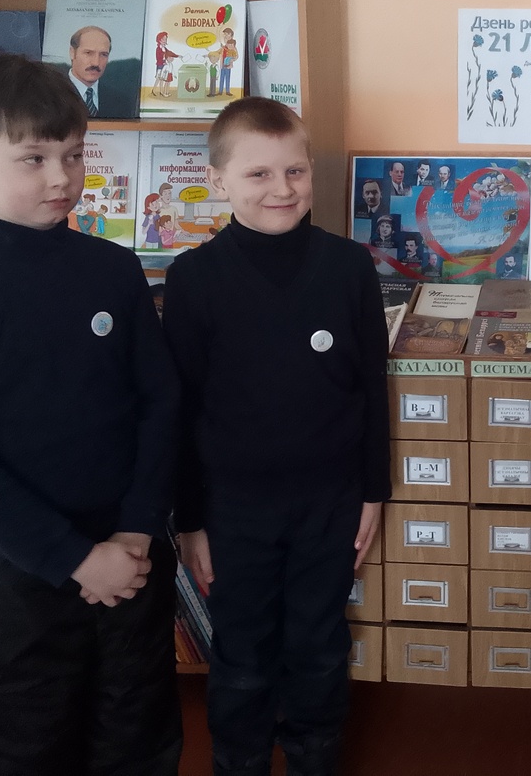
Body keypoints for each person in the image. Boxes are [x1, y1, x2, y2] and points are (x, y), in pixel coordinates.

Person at [0, 53, 182, 773]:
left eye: (73, 154)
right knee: (19, 754)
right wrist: (75, 559)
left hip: (126, 559)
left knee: (136, 742)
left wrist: (135, 532)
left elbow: (158, 404)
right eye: (33, 158)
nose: (62, 177)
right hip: (6, 576)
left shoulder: (112, 269)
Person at [162, 96, 390, 776]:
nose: (282, 189)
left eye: (295, 171)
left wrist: (373, 492)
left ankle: (315, 757)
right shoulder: (193, 278)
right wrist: (190, 521)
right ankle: (240, 761)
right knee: (243, 654)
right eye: (258, 174)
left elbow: (371, 389)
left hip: (329, 502)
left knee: (319, 647)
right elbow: (182, 410)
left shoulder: (350, 268)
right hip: (234, 511)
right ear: (219, 180)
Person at [218, 26, 239, 97]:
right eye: (225, 35)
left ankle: (227, 91)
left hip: (228, 65)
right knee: (222, 78)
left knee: (227, 78)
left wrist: (232, 59)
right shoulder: (223, 47)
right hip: (223, 65)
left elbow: (236, 56)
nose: (225, 37)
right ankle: (220, 91)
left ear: (230, 35)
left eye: (226, 35)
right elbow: (220, 54)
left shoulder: (232, 46)